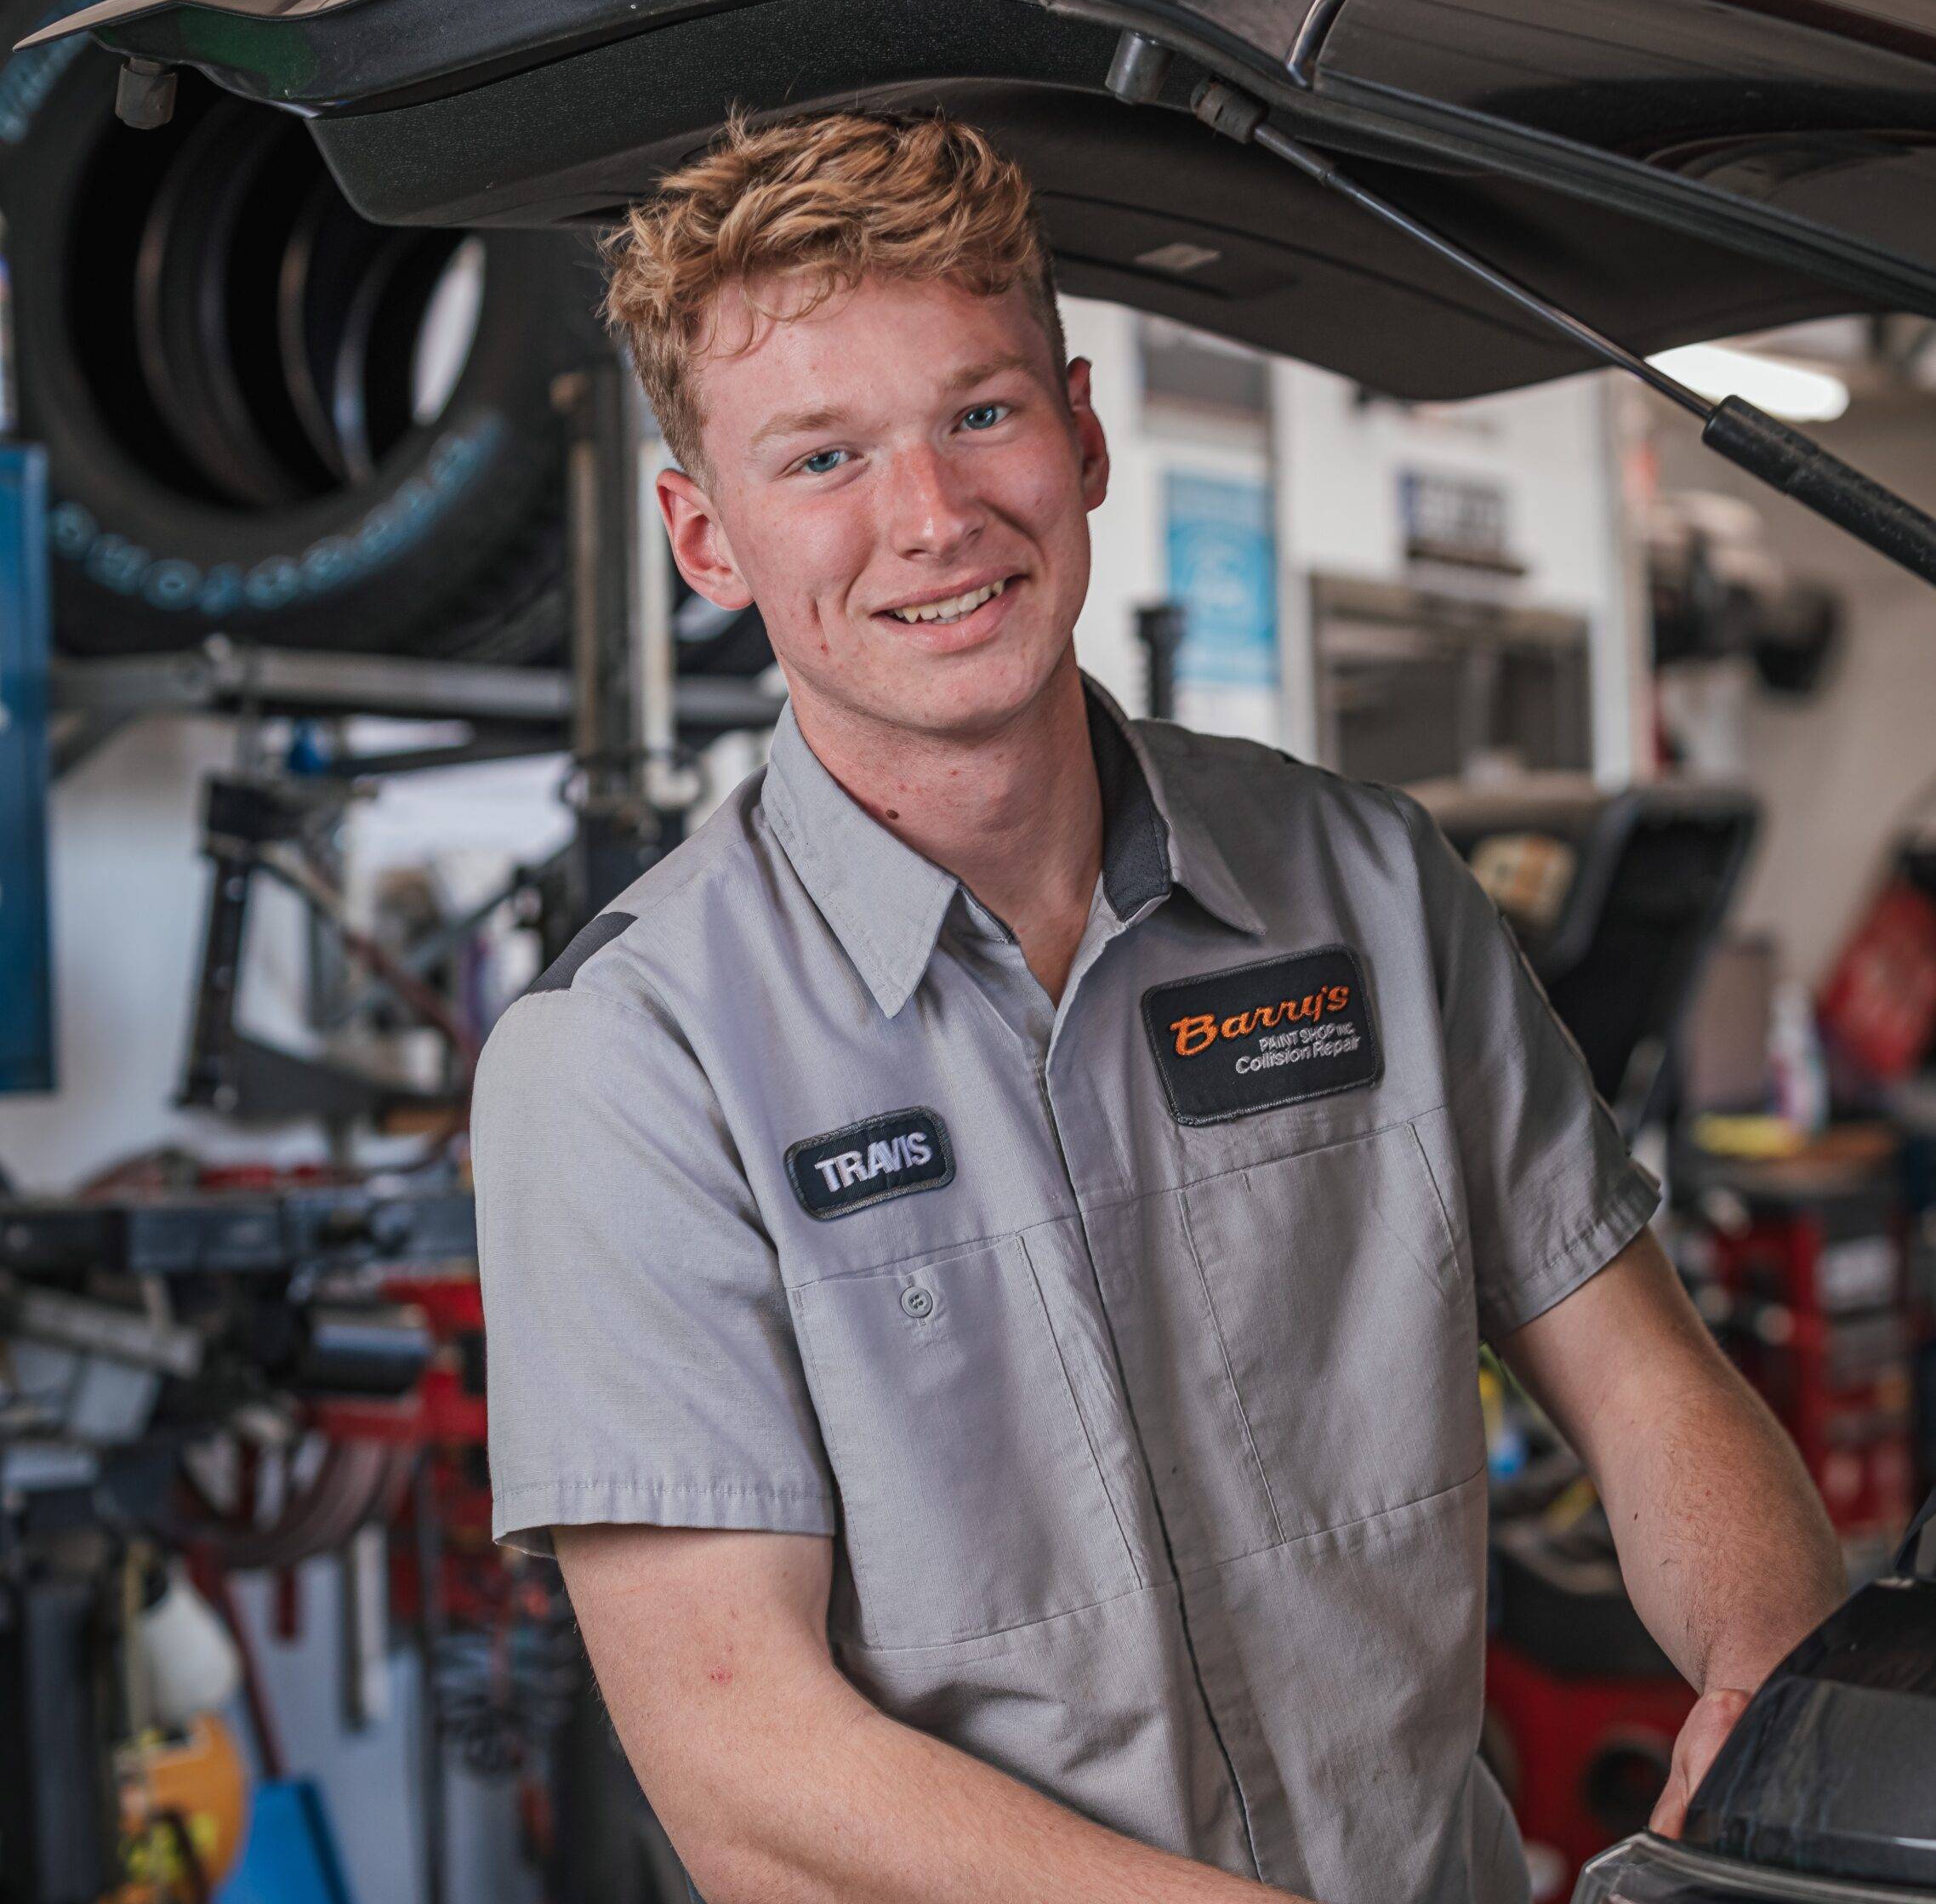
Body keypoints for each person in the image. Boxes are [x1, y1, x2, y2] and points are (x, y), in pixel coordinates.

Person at [469, 110, 1844, 1904]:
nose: (934, 517)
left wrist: (1774, 1684)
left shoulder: (1360, 884)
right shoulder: (629, 1061)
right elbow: (747, 1757)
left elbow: (1645, 1370)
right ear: (705, 536)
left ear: (1083, 427)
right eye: (821, 455)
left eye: (982, 410)